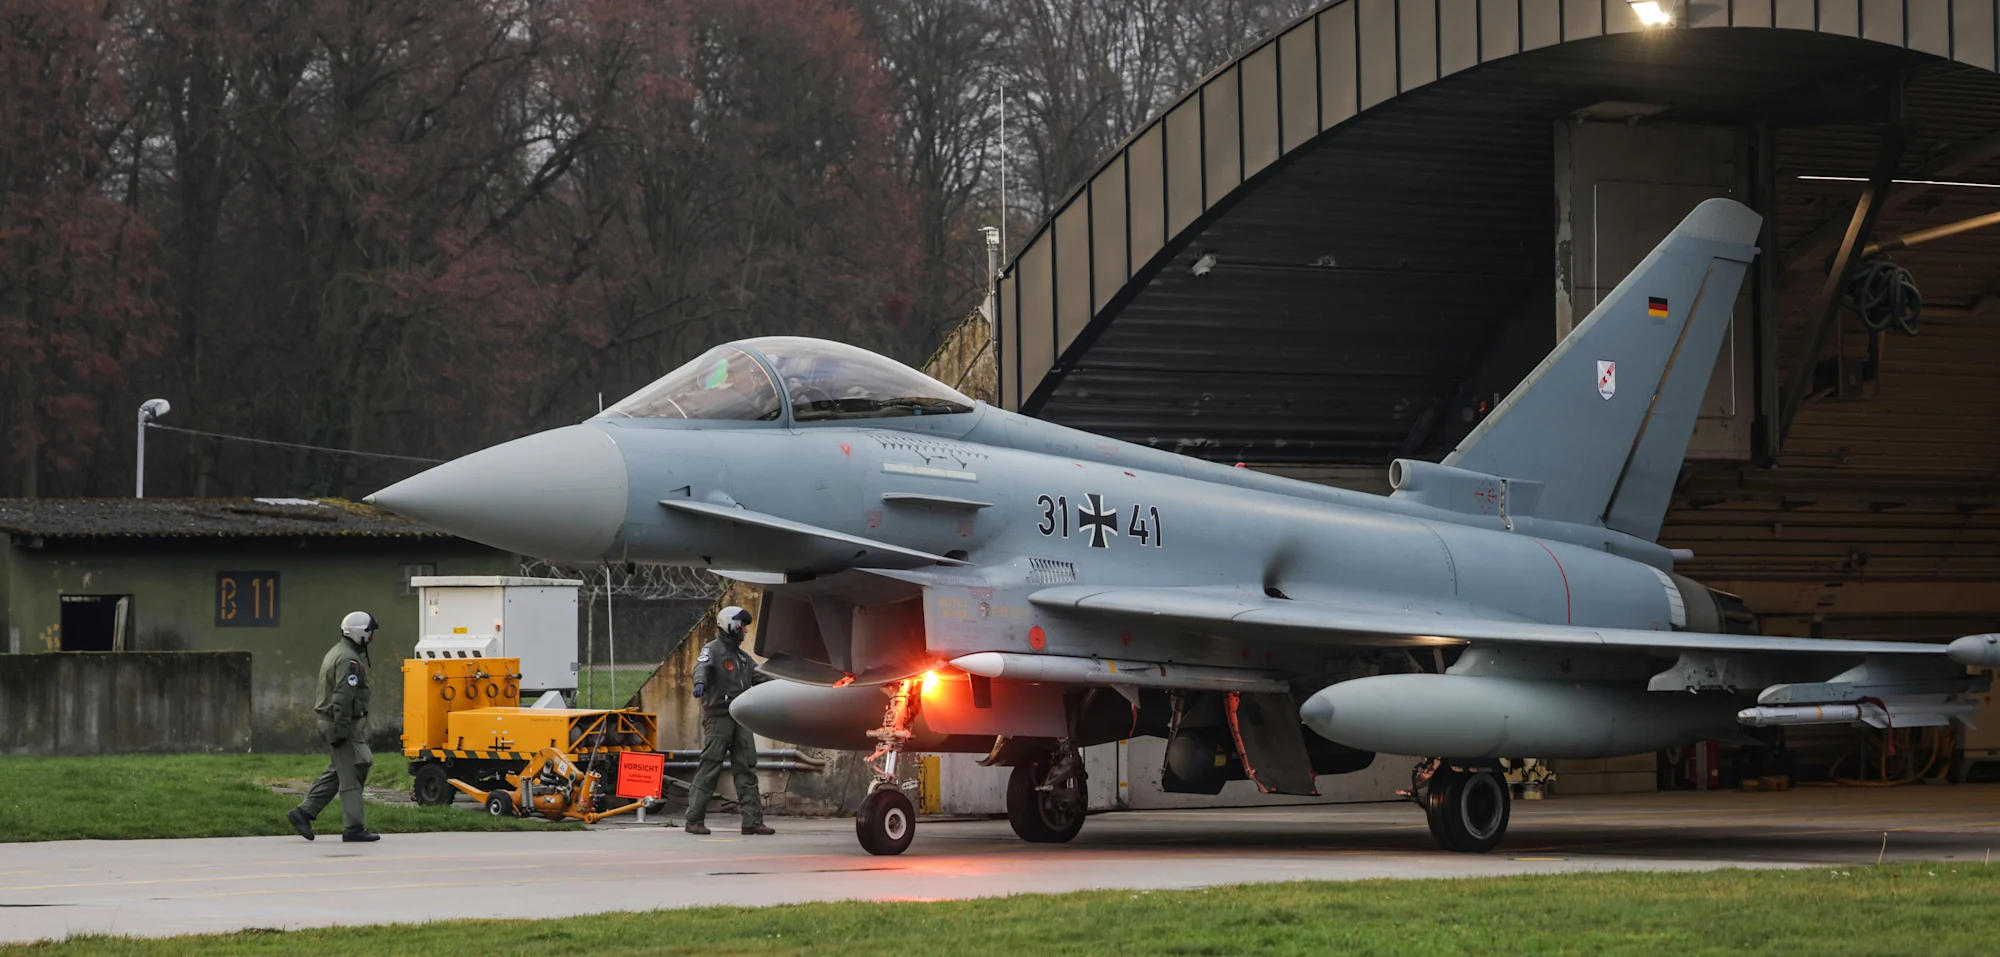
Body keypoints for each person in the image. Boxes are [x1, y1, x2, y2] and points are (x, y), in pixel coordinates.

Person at [286, 611, 380, 843]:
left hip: (335, 720)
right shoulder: (349, 659)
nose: (371, 639)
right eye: (370, 633)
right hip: (340, 722)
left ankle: (304, 812)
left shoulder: (338, 652)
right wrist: (342, 728)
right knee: (354, 771)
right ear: (360, 633)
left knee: (342, 769)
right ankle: (354, 828)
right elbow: (342, 696)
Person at [684, 605, 774, 835]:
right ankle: (694, 820)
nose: (744, 630)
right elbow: (701, 667)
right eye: (742, 625)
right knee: (710, 766)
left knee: (746, 768)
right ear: (731, 624)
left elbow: (760, 677)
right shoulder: (711, 650)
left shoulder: (744, 659)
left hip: (742, 719)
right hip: (718, 717)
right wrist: (699, 683)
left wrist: (784, 683)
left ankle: (752, 821)